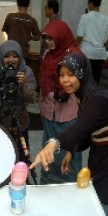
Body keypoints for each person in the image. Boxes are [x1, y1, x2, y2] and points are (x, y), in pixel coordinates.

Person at [30, 52, 108, 216]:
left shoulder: (99, 100)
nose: (65, 80)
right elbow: (87, 132)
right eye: (62, 74)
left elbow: (80, 128)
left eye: (71, 74)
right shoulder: (86, 96)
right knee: (97, 212)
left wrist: (53, 143)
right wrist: (72, 150)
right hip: (104, 161)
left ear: (83, 73)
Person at [39, 19, 82, 184]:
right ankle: (49, 184)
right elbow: (44, 81)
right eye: (46, 39)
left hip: (69, 112)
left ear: (61, 36)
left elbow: (83, 85)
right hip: (51, 110)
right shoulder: (48, 55)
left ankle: (69, 187)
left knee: (68, 151)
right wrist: (43, 108)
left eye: (52, 38)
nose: (48, 42)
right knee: (49, 149)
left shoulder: (76, 56)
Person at [0, 40, 36, 162]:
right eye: (7, 56)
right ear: (1, 57)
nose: (11, 60)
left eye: (15, 56)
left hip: (19, 121)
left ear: (20, 57)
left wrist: (24, 85)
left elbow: (32, 99)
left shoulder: (26, 72)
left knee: (21, 159)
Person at [76, 0, 108, 84]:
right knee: (96, 79)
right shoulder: (106, 18)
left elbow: (80, 36)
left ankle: (84, 97)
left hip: (87, 53)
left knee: (84, 79)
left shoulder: (85, 17)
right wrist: (103, 46)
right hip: (100, 54)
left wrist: (74, 45)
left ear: (91, 3)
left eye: (88, 3)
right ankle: (94, 96)